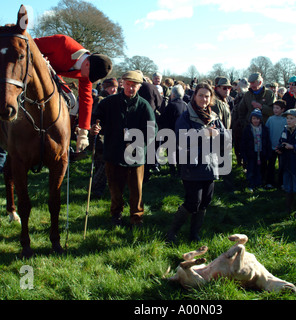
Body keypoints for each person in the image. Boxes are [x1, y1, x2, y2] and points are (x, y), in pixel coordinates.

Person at [0, 34, 112, 157]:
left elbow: (86, 100)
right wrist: (40, 59)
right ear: (87, 64)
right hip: (25, 72)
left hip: (50, 77)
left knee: (72, 101)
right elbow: (28, 45)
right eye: (89, 75)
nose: (87, 78)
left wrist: (83, 132)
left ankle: (63, 140)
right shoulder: (62, 42)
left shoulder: (87, 70)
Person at [91, 70, 157, 227]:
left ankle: (136, 217)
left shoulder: (144, 105)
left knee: (136, 191)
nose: (131, 88)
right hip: (113, 153)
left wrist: (137, 141)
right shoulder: (108, 102)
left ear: (139, 87)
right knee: (115, 190)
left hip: (136, 156)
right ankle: (116, 215)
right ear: (123, 84)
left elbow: (152, 129)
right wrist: (94, 126)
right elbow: (97, 117)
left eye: (134, 85)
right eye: (128, 84)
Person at [166, 83, 229, 243]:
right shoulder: (186, 117)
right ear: (194, 96)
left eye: (207, 96)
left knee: (205, 201)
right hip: (192, 165)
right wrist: (204, 134)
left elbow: (225, 138)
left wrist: (219, 137)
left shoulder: (214, 117)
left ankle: (194, 234)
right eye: (200, 95)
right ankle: (172, 232)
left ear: (211, 98)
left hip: (210, 164)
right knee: (193, 201)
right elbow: (182, 139)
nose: (204, 99)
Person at [158, 84, 187, 175]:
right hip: (183, 133)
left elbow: (163, 119)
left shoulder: (171, 105)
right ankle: (181, 169)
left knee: (171, 152)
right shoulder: (186, 105)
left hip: (171, 132)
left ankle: (173, 170)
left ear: (173, 95)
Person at [241, 109, 272, 193]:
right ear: (251, 119)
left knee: (261, 170)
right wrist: (244, 155)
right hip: (251, 153)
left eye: (258, 119)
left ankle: (259, 184)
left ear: (260, 120)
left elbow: (267, 141)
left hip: (262, 153)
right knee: (251, 170)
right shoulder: (247, 129)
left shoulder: (264, 129)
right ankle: (251, 185)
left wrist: (268, 152)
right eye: (254, 118)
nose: (256, 120)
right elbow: (244, 143)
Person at [265, 100, 287, 188]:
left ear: (283, 109)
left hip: (281, 147)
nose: (275, 110)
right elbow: (267, 130)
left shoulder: (285, 120)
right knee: (271, 165)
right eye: (274, 108)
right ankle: (269, 182)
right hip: (272, 146)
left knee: (282, 166)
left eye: (277, 108)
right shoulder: (270, 119)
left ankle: (281, 182)